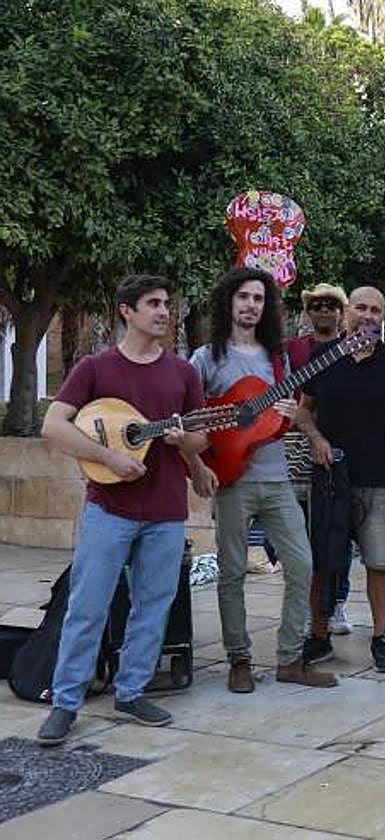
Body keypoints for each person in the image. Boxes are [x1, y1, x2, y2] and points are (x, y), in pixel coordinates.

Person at [36, 275, 210, 745]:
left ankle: (131, 690)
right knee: (87, 606)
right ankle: (66, 702)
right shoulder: (97, 367)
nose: (163, 312)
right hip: (108, 508)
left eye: (166, 304)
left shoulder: (183, 374)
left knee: (153, 606)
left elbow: (200, 437)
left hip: (166, 508)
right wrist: (108, 457)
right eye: (153, 304)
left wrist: (183, 440)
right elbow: (53, 424)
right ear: (126, 311)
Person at [188, 268, 337, 692]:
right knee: (232, 571)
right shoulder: (206, 358)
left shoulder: (279, 360)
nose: (251, 305)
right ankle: (239, 659)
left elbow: (273, 420)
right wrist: (203, 462)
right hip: (232, 479)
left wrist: (288, 416)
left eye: (258, 299)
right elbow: (192, 417)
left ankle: (290, 658)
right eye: (244, 298)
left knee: (302, 564)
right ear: (229, 303)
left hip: (275, 479)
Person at [293, 286, 385, 673]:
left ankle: (381, 638)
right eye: (362, 307)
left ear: (383, 316)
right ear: (347, 311)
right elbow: (302, 414)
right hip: (331, 478)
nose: (368, 315)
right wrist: (316, 438)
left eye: (376, 310)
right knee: (322, 562)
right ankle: (317, 635)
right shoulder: (321, 358)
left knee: (380, 564)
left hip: (380, 480)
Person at [287, 283, 354, 639]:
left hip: (340, 451)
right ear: (308, 311)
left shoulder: (352, 348)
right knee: (300, 535)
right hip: (295, 447)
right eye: (317, 305)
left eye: (332, 305)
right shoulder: (291, 350)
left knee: (336, 533)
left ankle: (336, 603)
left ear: (342, 312)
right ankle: (308, 608)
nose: (324, 311)